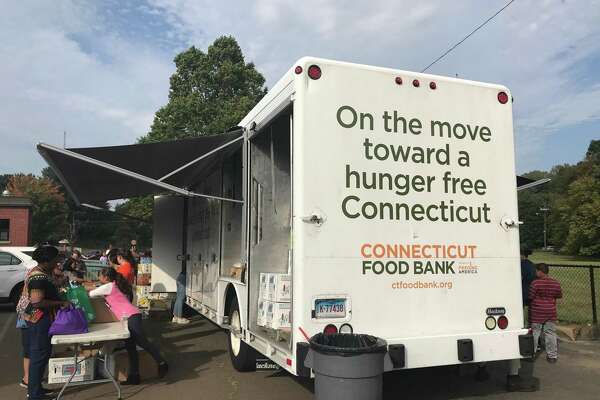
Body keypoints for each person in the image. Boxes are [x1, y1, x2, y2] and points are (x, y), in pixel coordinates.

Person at [89, 268, 168, 384]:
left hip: (132, 316)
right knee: (130, 347)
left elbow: (91, 294)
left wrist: (87, 287)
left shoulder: (109, 286)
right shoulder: (111, 286)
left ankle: (162, 363)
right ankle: (134, 376)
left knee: (142, 342)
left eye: (100, 276)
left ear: (106, 277)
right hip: (128, 317)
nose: (98, 278)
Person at [23, 245, 71, 400]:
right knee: (38, 356)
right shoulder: (37, 277)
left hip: (42, 319)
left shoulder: (43, 272)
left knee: (42, 355)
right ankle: (35, 395)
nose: (57, 261)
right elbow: (37, 302)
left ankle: (37, 389)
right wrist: (59, 303)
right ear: (47, 260)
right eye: (55, 258)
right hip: (38, 320)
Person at [529, 263, 562, 363]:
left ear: (540, 271)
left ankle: (531, 354)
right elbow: (559, 295)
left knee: (535, 333)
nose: (535, 273)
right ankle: (552, 356)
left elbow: (530, 296)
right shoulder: (555, 283)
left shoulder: (535, 283)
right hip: (550, 312)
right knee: (550, 333)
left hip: (537, 312)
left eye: (536, 271)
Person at [520, 248, 536, 322]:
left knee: (520, 308)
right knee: (531, 309)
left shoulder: (520, 265)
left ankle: (521, 322)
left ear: (522, 255)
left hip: (522, 289)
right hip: (531, 290)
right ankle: (531, 323)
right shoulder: (532, 264)